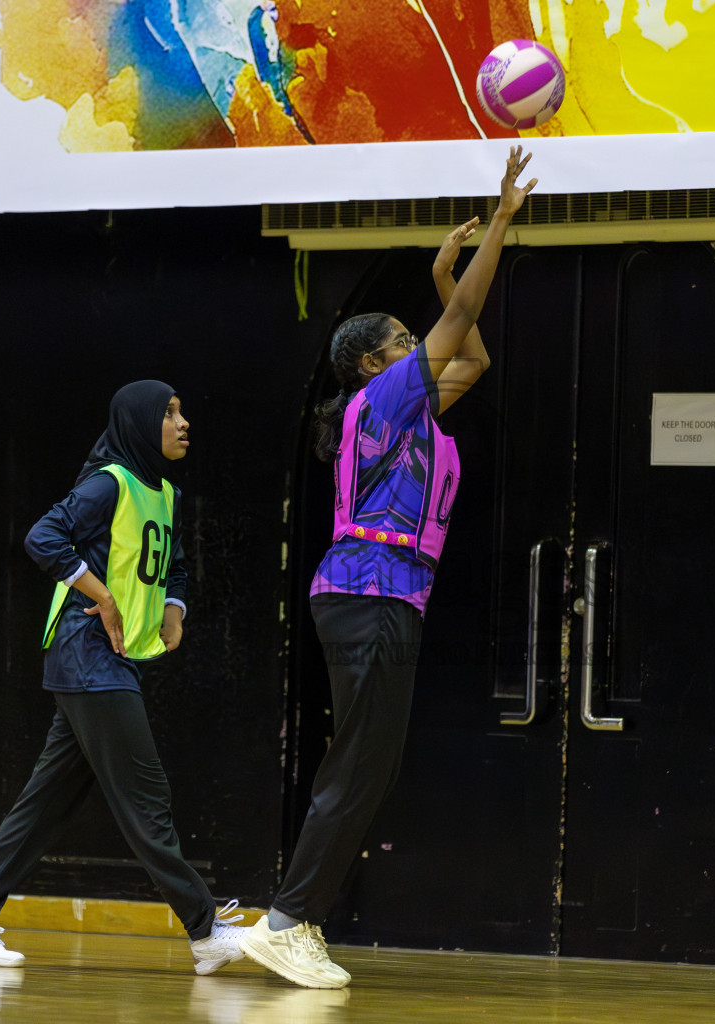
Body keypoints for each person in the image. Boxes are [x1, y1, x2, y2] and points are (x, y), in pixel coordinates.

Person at [237, 147, 537, 989]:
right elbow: (471, 320)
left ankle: (296, 916)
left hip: (385, 600)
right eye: (406, 340)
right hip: (369, 594)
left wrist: (444, 282)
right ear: (374, 364)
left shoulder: (413, 408)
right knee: (361, 762)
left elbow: (472, 358)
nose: (422, 345)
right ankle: (290, 920)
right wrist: (500, 226)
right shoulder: (385, 398)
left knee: (370, 763)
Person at [0, 380, 247, 973]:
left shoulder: (167, 495)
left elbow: (173, 567)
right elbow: (42, 538)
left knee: (46, 800)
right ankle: (206, 932)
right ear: (139, 422)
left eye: (183, 412)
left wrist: (174, 609)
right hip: (85, 652)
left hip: (112, 659)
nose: (183, 423)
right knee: (145, 795)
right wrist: (102, 597)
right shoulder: (110, 482)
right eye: (170, 413)